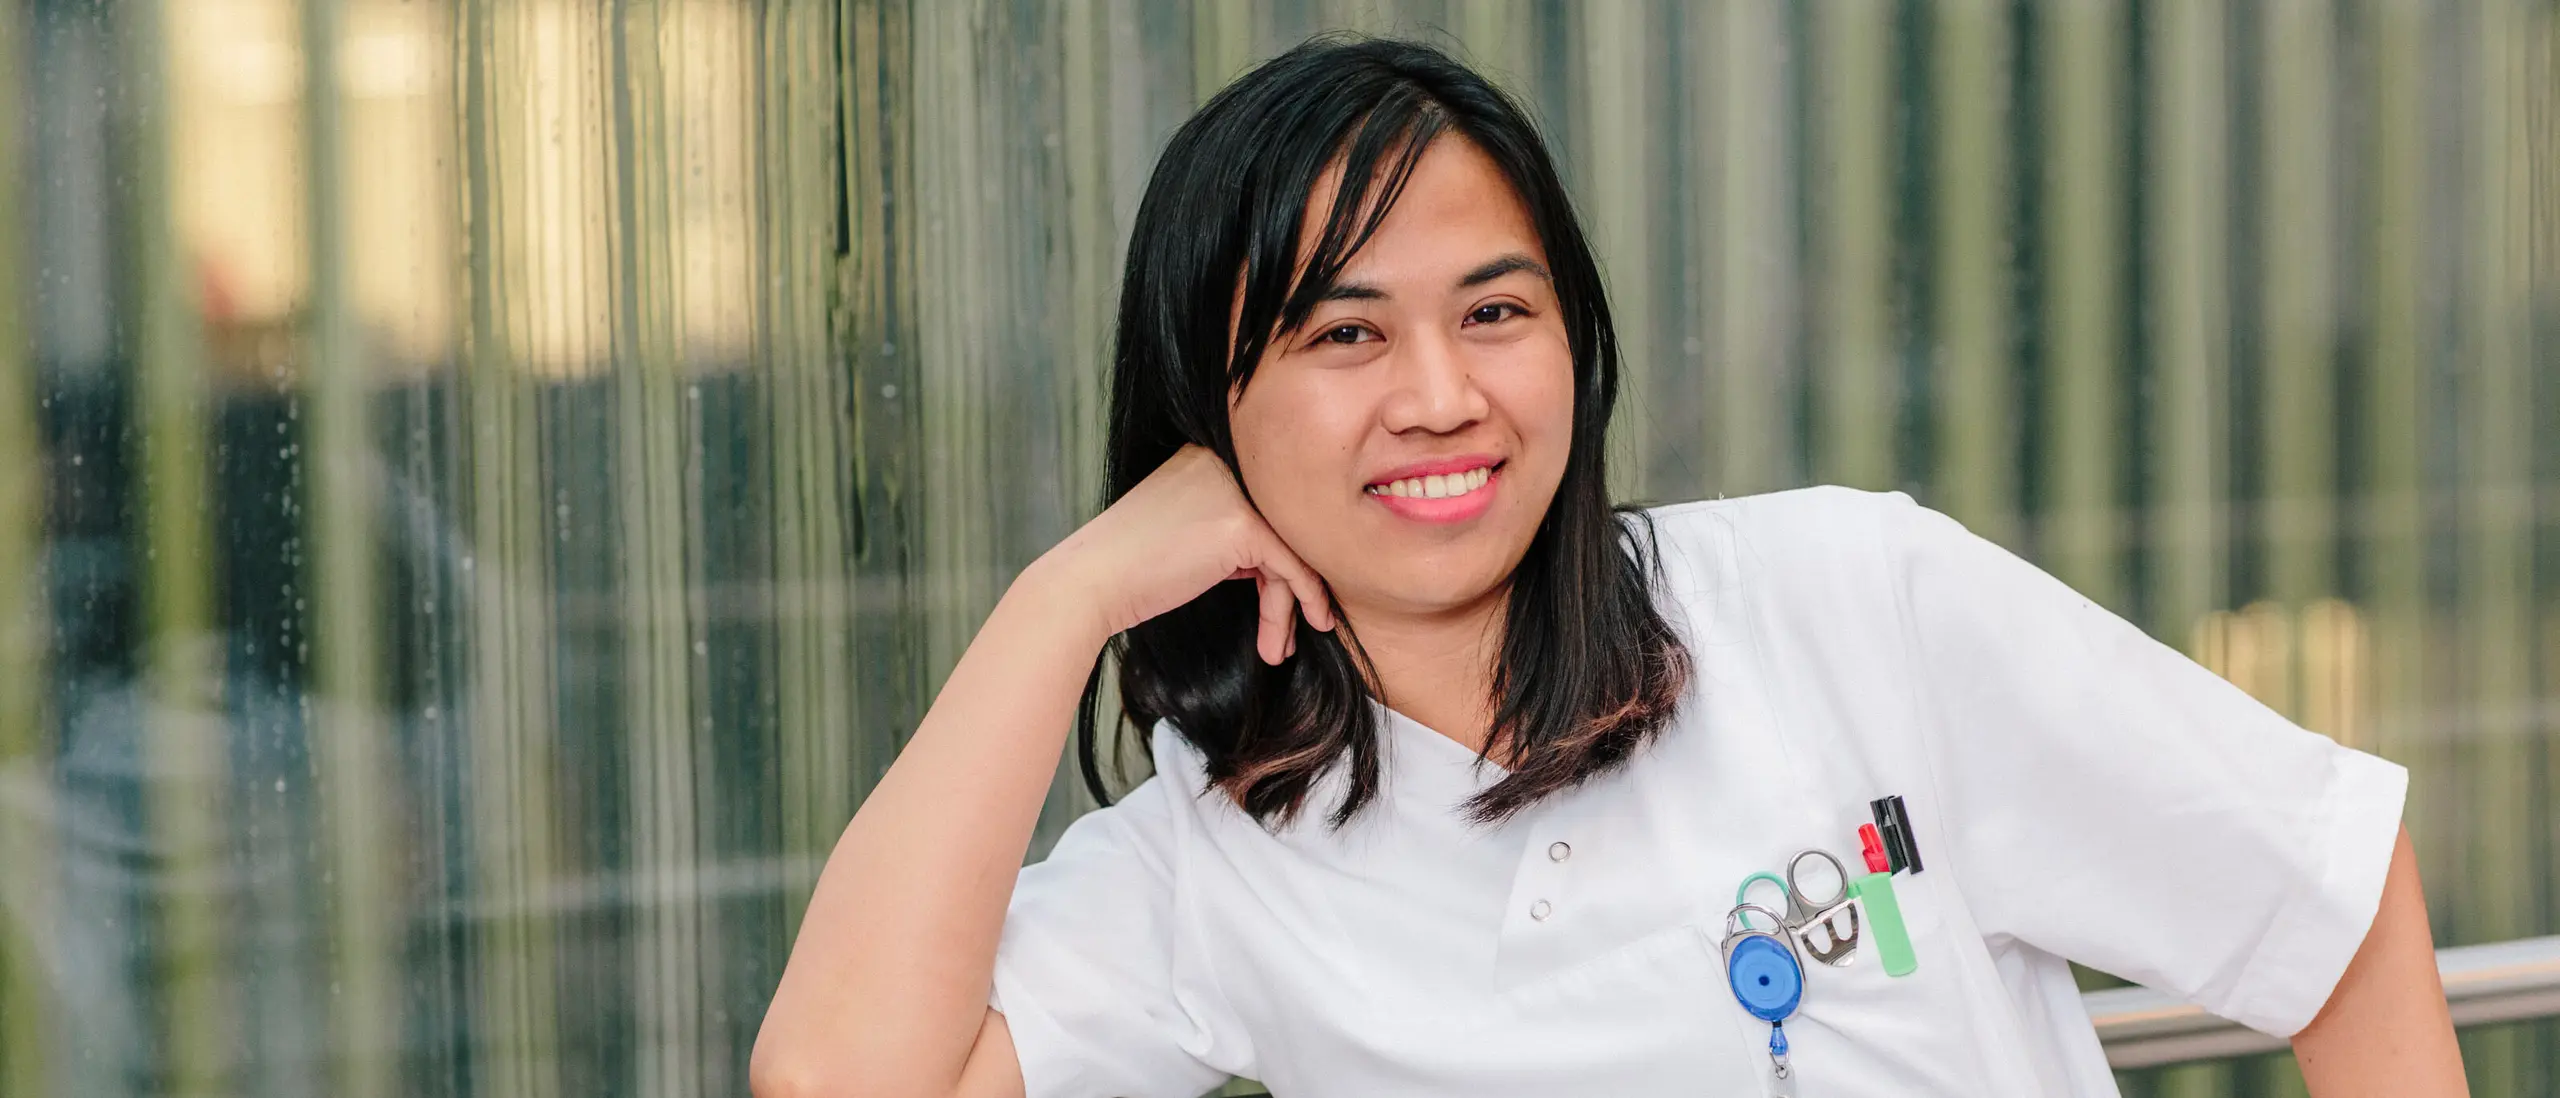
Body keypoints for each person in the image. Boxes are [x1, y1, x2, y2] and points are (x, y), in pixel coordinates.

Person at [752, 36, 2466, 1098]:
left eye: (1496, 311)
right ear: (1213, 416)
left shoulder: (1840, 601)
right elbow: (839, 1077)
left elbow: (2322, 900)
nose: (1444, 396)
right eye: (1345, 332)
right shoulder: (1222, 847)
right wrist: (1062, 597)